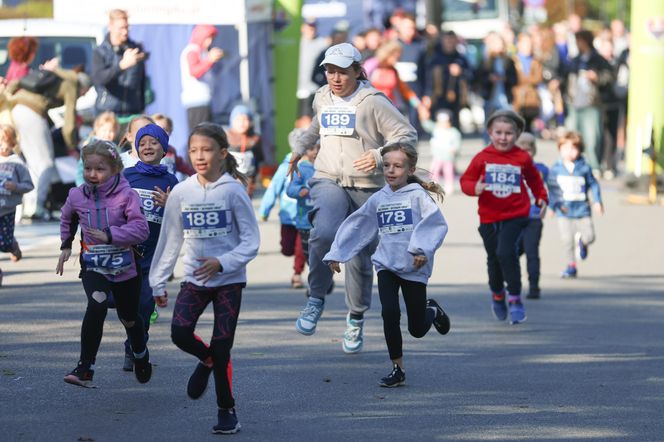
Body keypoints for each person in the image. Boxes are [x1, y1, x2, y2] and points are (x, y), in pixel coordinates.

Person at [289, 42, 417, 353]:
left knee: (360, 256)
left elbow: (406, 134)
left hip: (367, 187)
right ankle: (316, 297)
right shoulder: (322, 96)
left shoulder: (372, 101)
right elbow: (317, 127)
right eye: (330, 71)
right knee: (325, 233)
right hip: (328, 178)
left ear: (358, 71)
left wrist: (377, 154)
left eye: (342, 72)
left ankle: (356, 317)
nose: (335, 77)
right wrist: (297, 149)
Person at [149, 123, 260, 434]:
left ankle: (227, 410)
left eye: (207, 149)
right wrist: (158, 281)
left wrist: (222, 263)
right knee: (179, 333)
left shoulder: (233, 191)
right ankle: (207, 359)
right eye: (194, 150)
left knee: (223, 346)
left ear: (222, 153)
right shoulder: (182, 192)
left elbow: (251, 241)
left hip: (229, 280)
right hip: (194, 279)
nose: (199, 156)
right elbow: (170, 239)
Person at [324, 144, 450, 387]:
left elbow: (435, 223)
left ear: (410, 169)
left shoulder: (417, 195)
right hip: (386, 265)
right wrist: (337, 253)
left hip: (414, 266)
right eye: (387, 165)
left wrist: (422, 249)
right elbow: (358, 224)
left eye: (398, 166)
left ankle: (431, 310)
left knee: (416, 328)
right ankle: (397, 368)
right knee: (389, 313)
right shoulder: (379, 198)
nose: (391, 170)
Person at [56, 140, 151, 387]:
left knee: (129, 318)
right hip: (94, 264)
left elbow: (141, 230)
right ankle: (85, 368)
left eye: (100, 169)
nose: (92, 174)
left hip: (125, 267)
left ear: (115, 169)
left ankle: (140, 354)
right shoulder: (76, 195)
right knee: (96, 303)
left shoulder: (127, 195)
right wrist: (66, 245)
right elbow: (67, 217)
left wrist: (111, 235)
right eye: (88, 168)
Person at [460, 110, 547, 325]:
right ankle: (497, 293)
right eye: (498, 132)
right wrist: (475, 187)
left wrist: (541, 198)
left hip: (515, 214)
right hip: (489, 216)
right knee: (494, 258)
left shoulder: (522, 157)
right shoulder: (483, 157)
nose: (503, 137)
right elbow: (466, 180)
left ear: (517, 135)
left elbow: (535, 181)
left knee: (506, 252)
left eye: (508, 133)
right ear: (490, 132)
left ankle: (515, 298)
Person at [121, 124, 179, 371]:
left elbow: (180, 217)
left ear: (163, 149)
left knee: (145, 306)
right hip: (126, 253)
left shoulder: (171, 181)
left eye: (154, 142)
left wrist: (170, 203)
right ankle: (135, 343)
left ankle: (134, 347)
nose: (147, 146)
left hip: (154, 255)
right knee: (125, 306)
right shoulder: (126, 176)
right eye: (142, 142)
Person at [3, 63, 91, 219]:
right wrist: (71, 145)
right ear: (82, 86)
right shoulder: (72, 84)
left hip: (17, 108)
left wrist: (9, 93)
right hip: (32, 113)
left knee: (32, 163)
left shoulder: (57, 74)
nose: (82, 95)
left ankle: (28, 206)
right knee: (45, 163)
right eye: (85, 92)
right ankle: (37, 207)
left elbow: (20, 81)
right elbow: (69, 120)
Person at [547, 131, 603, 279]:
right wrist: (552, 206)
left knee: (590, 236)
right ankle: (571, 266)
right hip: (563, 210)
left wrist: (597, 201)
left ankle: (583, 242)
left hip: (582, 209)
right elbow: (553, 188)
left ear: (580, 150)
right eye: (565, 148)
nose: (569, 152)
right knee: (566, 240)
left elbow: (594, 184)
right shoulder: (556, 168)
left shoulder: (584, 167)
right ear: (559, 149)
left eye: (573, 148)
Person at [564, 30, 613, 172]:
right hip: (575, 103)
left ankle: (593, 167)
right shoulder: (575, 59)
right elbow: (566, 76)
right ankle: (573, 165)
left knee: (592, 139)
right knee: (572, 137)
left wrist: (596, 77)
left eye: (579, 41)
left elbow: (609, 77)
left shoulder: (598, 59)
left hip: (592, 104)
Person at [258, 150, 303, 289]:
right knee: (287, 249)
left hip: (306, 217)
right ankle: (298, 256)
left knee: (300, 248)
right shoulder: (285, 167)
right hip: (288, 217)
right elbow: (273, 189)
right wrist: (265, 210)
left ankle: (297, 273)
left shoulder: (313, 167)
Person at [91, 9, 147, 119]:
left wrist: (142, 107)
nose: (125, 32)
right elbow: (98, 78)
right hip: (107, 114)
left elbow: (142, 82)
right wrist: (121, 66)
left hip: (133, 113)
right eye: (121, 28)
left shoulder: (135, 49)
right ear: (110, 27)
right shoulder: (100, 52)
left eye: (126, 27)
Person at [516, 132, 548, 299]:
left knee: (531, 252)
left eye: (529, 150)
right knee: (509, 252)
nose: (525, 153)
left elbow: (553, 189)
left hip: (533, 218)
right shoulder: (510, 169)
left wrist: (552, 204)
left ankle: (534, 286)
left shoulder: (541, 170)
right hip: (513, 218)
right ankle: (510, 283)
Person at [0, 124, 34, 285]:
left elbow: (29, 185)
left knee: (4, 243)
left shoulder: (17, 163)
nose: (1, 144)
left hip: (7, 209)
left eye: (4, 140)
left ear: (12, 142)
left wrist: (16, 187)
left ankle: (12, 245)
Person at [285, 130, 319, 281]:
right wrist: (300, 190)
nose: (316, 152)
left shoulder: (324, 169)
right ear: (305, 151)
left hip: (322, 219)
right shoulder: (301, 169)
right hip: (305, 221)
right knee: (308, 254)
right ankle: (316, 280)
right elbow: (290, 189)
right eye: (312, 149)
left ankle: (321, 279)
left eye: (318, 148)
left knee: (322, 252)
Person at [180, 25, 224, 133]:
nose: (210, 42)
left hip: (204, 100)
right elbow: (194, 72)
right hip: (196, 101)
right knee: (200, 136)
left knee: (206, 136)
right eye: (208, 38)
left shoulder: (202, 52)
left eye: (212, 39)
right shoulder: (192, 50)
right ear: (200, 36)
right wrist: (209, 60)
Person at [420, 109, 462, 195]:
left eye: (445, 122)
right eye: (440, 122)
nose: (442, 124)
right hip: (437, 155)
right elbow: (427, 125)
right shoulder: (436, 128)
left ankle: (449, 186)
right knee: (434, 171)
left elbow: (457, 142)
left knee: (448, 172)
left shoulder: (453, 132)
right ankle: (433, 185)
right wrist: (424, 117)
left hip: (448, 156)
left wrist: (455, 149)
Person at [226, 104, 263, 197]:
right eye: (238, 120)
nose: (242, 123)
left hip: (248, 181)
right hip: (229, 180)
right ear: (232, 121)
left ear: (251, 121)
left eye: (245, 119)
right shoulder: (225, 138)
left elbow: (259, 160)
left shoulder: (255, 139)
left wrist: (256, 179)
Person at [75, 111, 120, 186]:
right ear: (97, 129)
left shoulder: (115, 148)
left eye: (111, 131)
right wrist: (81, 186)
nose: (107, 134)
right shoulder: (90, 146)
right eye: (104, 130)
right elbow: (80, 169)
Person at [297, 17, 329, 118]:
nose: (312, 29)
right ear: (303, 27)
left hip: (313, 90)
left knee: (310, 121)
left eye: (314, 27)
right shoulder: (296, 43)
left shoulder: (323, 44)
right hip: (296, 89)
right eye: (309, 26)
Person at [151, 113, 196, 178]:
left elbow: (181, 165)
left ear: (170, 132)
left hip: (171, 185)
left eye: (165, 129)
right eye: (157, 129)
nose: (161, 132)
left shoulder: (171, 150)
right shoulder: (148, 151)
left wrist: (195, 175)